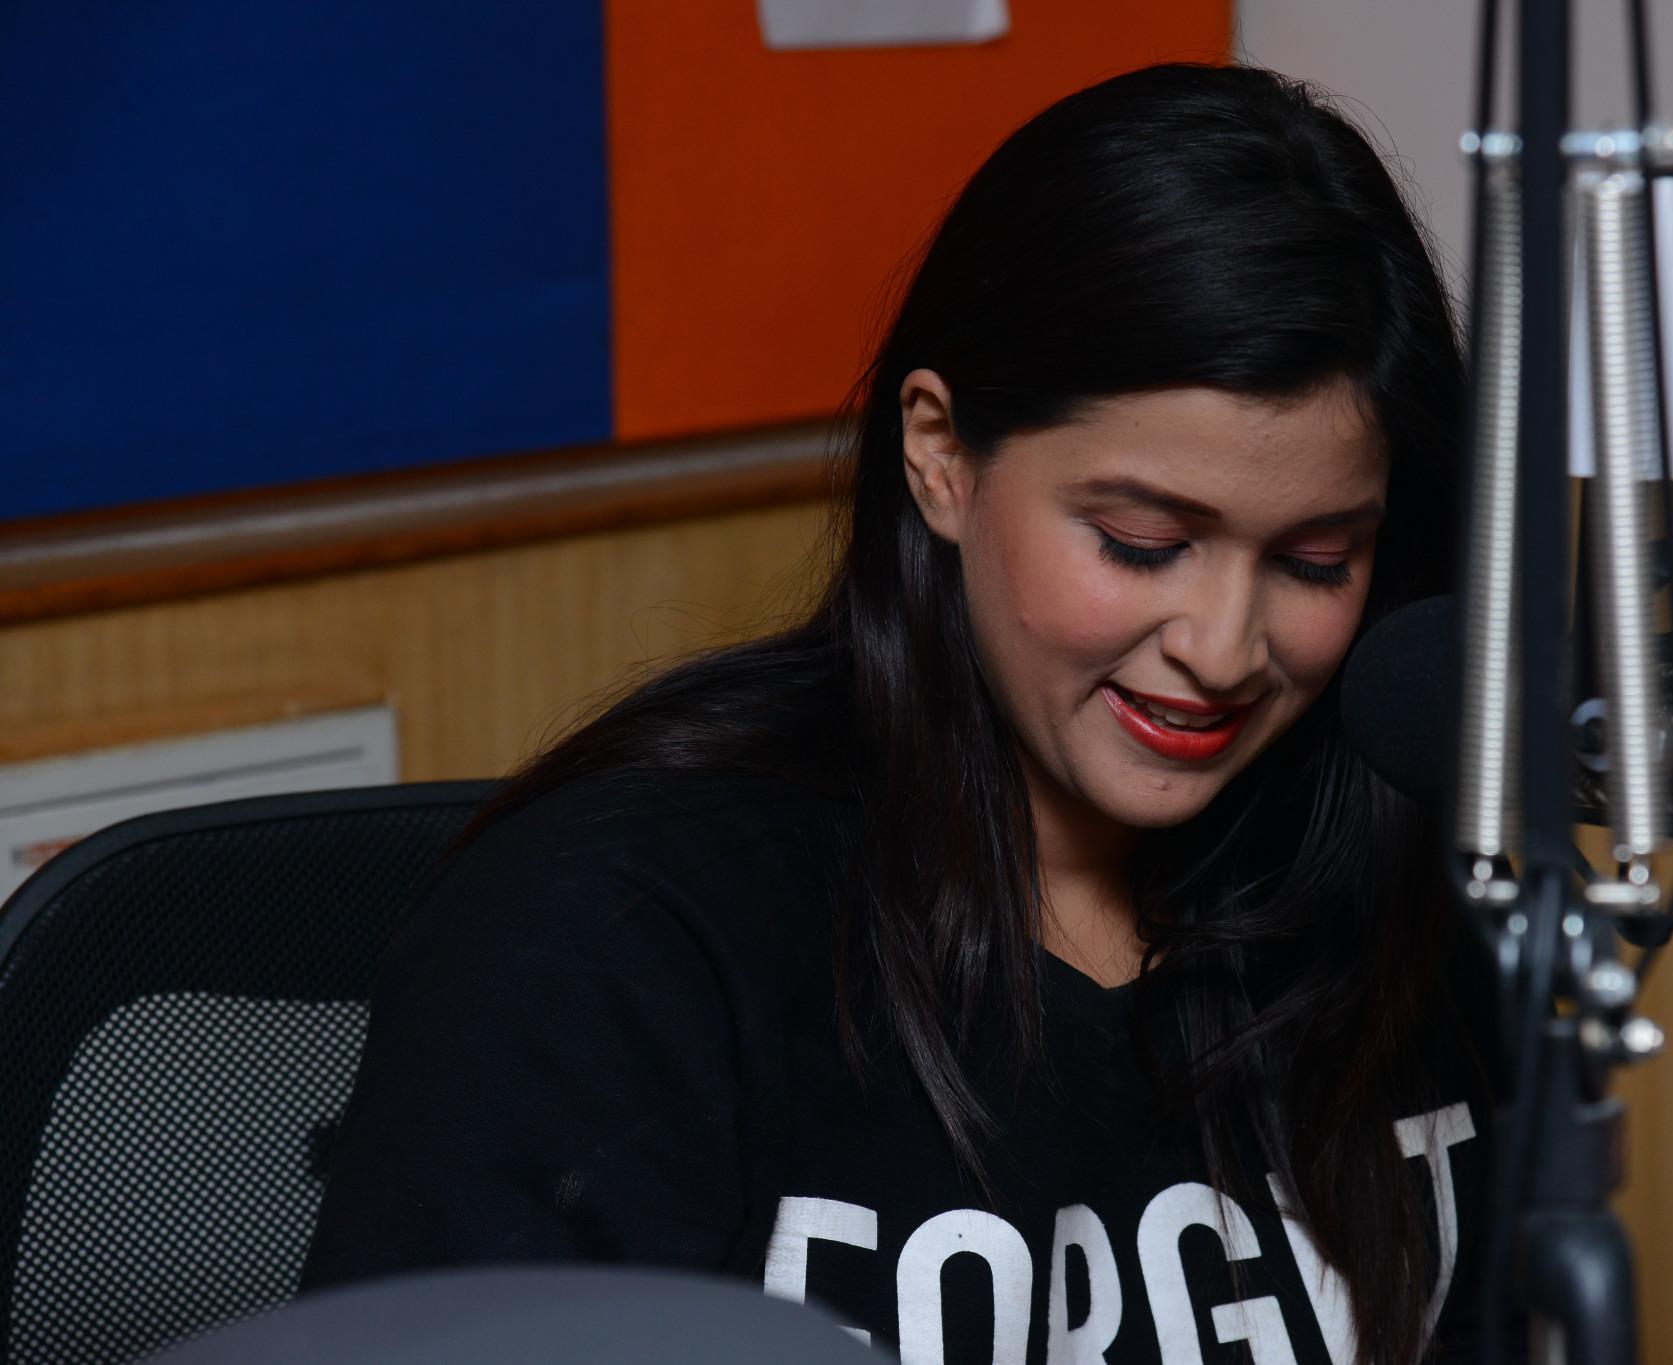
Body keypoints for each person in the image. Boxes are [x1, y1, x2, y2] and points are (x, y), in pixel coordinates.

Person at [299, 61, 1505, 1364]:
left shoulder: (1407, 884)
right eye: (1141, 542)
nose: (1221, 651)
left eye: (1316, 561)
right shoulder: (617, 929)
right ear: (940, 455)